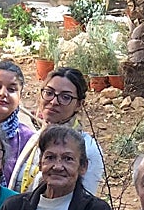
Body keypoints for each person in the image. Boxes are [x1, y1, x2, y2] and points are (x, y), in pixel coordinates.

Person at [9, 68, 105, 196]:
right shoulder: (35, 138)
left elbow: (85, 203)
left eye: (65, 97)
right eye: (49, 93)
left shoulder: (88, 149)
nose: (54, 102)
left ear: (79, 104)